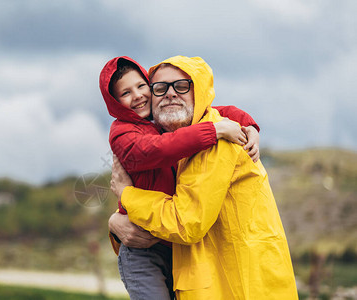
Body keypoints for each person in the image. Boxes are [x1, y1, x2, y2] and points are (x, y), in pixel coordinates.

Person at [110, 56, 298, 299]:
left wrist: (127, 195)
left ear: (199, 92)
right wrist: (115, 222)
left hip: (236, 286)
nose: (169, 94)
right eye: (160, 88)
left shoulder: (217, 142)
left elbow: (185, 222)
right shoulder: (177, 140)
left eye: (181, 86)